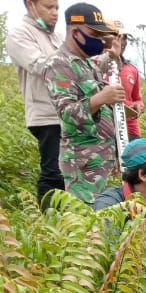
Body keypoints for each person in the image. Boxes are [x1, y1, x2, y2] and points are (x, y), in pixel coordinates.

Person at [44, 2, 124, 204]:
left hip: (103, 159)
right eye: (95, 34)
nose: (98, 40)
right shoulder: (58, 64)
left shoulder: (87, 62)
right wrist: (101, 98)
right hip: (83, 165)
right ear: (75, 31)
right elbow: (67, 113)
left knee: (105, 217)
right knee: (87, 222)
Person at [6, 0, 65, 204]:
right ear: (31, 5)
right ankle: (49, 221)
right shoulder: (19, 35)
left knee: (68, 172)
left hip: (68, 113)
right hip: (45, 115)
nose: (55, 12)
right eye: (49, 7)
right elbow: (40, 65)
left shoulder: (57, 36)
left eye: (57, 7)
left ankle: (69, 219)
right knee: (53, 173)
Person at [108, 25, 144, 140]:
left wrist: (138, 106)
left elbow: (137, 98)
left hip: (130, 129)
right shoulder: (95, 65)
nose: (122, 41)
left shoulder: (132, 69)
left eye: (125, 37)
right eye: (118, 36)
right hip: (105, 129)